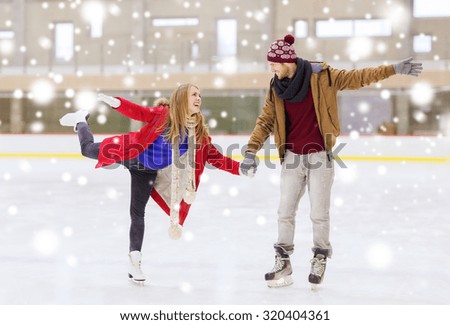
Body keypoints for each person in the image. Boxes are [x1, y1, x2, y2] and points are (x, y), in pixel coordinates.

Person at [239, 34, 423, 288]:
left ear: (288, 61)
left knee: (319, 213)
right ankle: (283, 260)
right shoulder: (276, 87)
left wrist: (392, 69)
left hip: (319, 156)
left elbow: (357, 77)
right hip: (292, 157)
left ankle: (319, 257)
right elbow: (265, 120)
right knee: (285, 212)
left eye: (274, 63)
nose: (271, 68)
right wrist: (251, 151)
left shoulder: (321, 76)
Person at [59, 83, 249, 284]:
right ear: (183, 98)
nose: (199, 98)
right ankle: (80, 121)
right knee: (87, 150)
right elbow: (138, 112)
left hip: (146, 172)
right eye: (194, 94)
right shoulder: (163, 115)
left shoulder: (198, 134)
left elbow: (215, 157)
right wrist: (116, 103)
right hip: (130, 151)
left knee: (137, 213)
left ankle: (135, 260)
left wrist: (240, 168)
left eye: (200, 95)